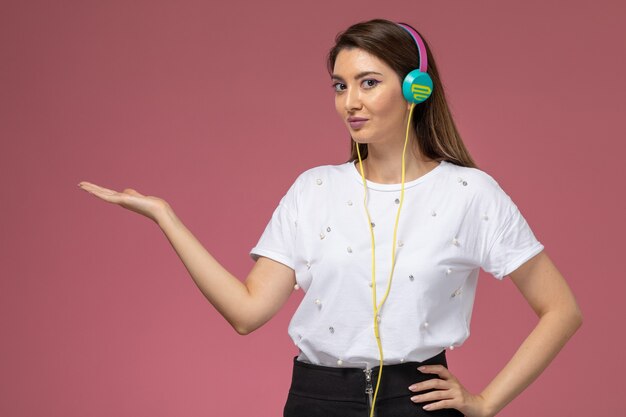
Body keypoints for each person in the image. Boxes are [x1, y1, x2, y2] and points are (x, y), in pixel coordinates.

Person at [78, 18, 582, 417]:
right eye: (340, 86)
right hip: (316, 401)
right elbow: (247, 314)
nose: (350, 102)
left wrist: (486, 402)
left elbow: (562, 311)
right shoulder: (314, 188)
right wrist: (167, 218)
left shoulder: (470, 193)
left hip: (417, 404)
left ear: (416, 89)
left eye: (368, 83)